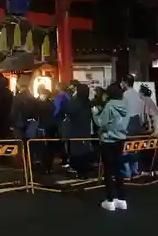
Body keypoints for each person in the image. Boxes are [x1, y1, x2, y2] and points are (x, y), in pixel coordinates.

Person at [92, 83, 129, 211]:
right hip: (121, 140)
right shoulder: (125, 105)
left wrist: (95, 113)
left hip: (108, 140)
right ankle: (122, 199)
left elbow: (101, 122)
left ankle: (110, 200)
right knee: (119, 170)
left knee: (108, 171)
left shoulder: (109, 105)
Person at [61, 84, 93, 178]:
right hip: (86, 129)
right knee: (84, 150)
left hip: (75, 129)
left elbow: (67, 110)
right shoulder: (87, 102)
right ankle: (84, 171)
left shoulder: (76, 102)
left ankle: (80, 172)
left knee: (77, 151)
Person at [120, 74, 144, 178]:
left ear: (125, 82)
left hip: (128, 122)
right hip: (137, 121)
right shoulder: (137, 94)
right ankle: (135, 170)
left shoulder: (125, 94)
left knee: (125, 148)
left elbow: (123, 110)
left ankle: (127, 171)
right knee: (135, 147)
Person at [54, 82, 71, 167]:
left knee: (63, 141)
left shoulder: (59, 97)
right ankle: (69, 159)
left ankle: (65, 160)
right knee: (69, 141)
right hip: (70, 121)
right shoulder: (70, 96)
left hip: (61, 122)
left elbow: (56, 111)